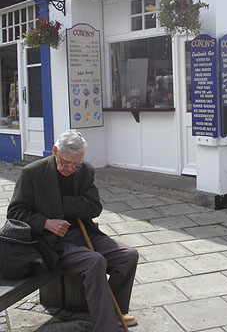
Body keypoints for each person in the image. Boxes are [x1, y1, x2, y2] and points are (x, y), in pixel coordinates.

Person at [7, 130, 139, 332]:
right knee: (95, 261)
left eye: (75, 164)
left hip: (85, 233)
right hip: (52, 242)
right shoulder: (32, 174)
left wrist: (63, 204)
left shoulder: (85, 171)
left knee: (128, 256)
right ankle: (106, 327)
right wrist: (46, 222)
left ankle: (114, 311)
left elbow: (95, 207)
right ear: (54, 152)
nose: (70, 168)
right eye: (65, 162)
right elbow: (15, 213)